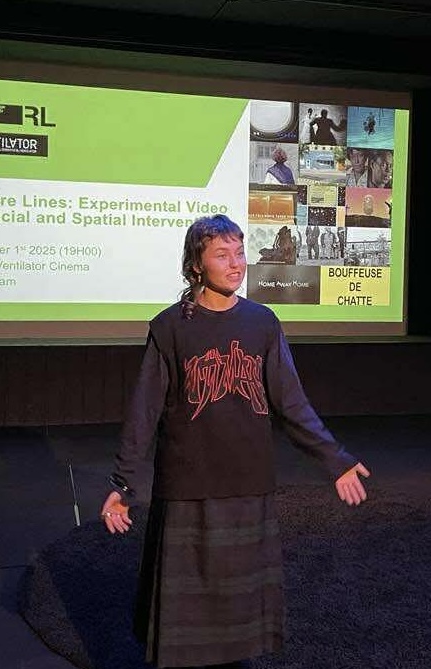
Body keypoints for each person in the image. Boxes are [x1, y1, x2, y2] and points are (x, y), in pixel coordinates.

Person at [100, 214, 370, 669]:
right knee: (187, 621)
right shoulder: (170, 328)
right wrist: (123, 485)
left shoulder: (262, 323)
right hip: (188, 485)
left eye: (240, 253)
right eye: (222, 255)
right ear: (196, 265)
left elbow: (291, 402)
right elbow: (143, 412)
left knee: (237, 615)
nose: (236, 263)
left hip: (248, 481)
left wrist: (334, 459)